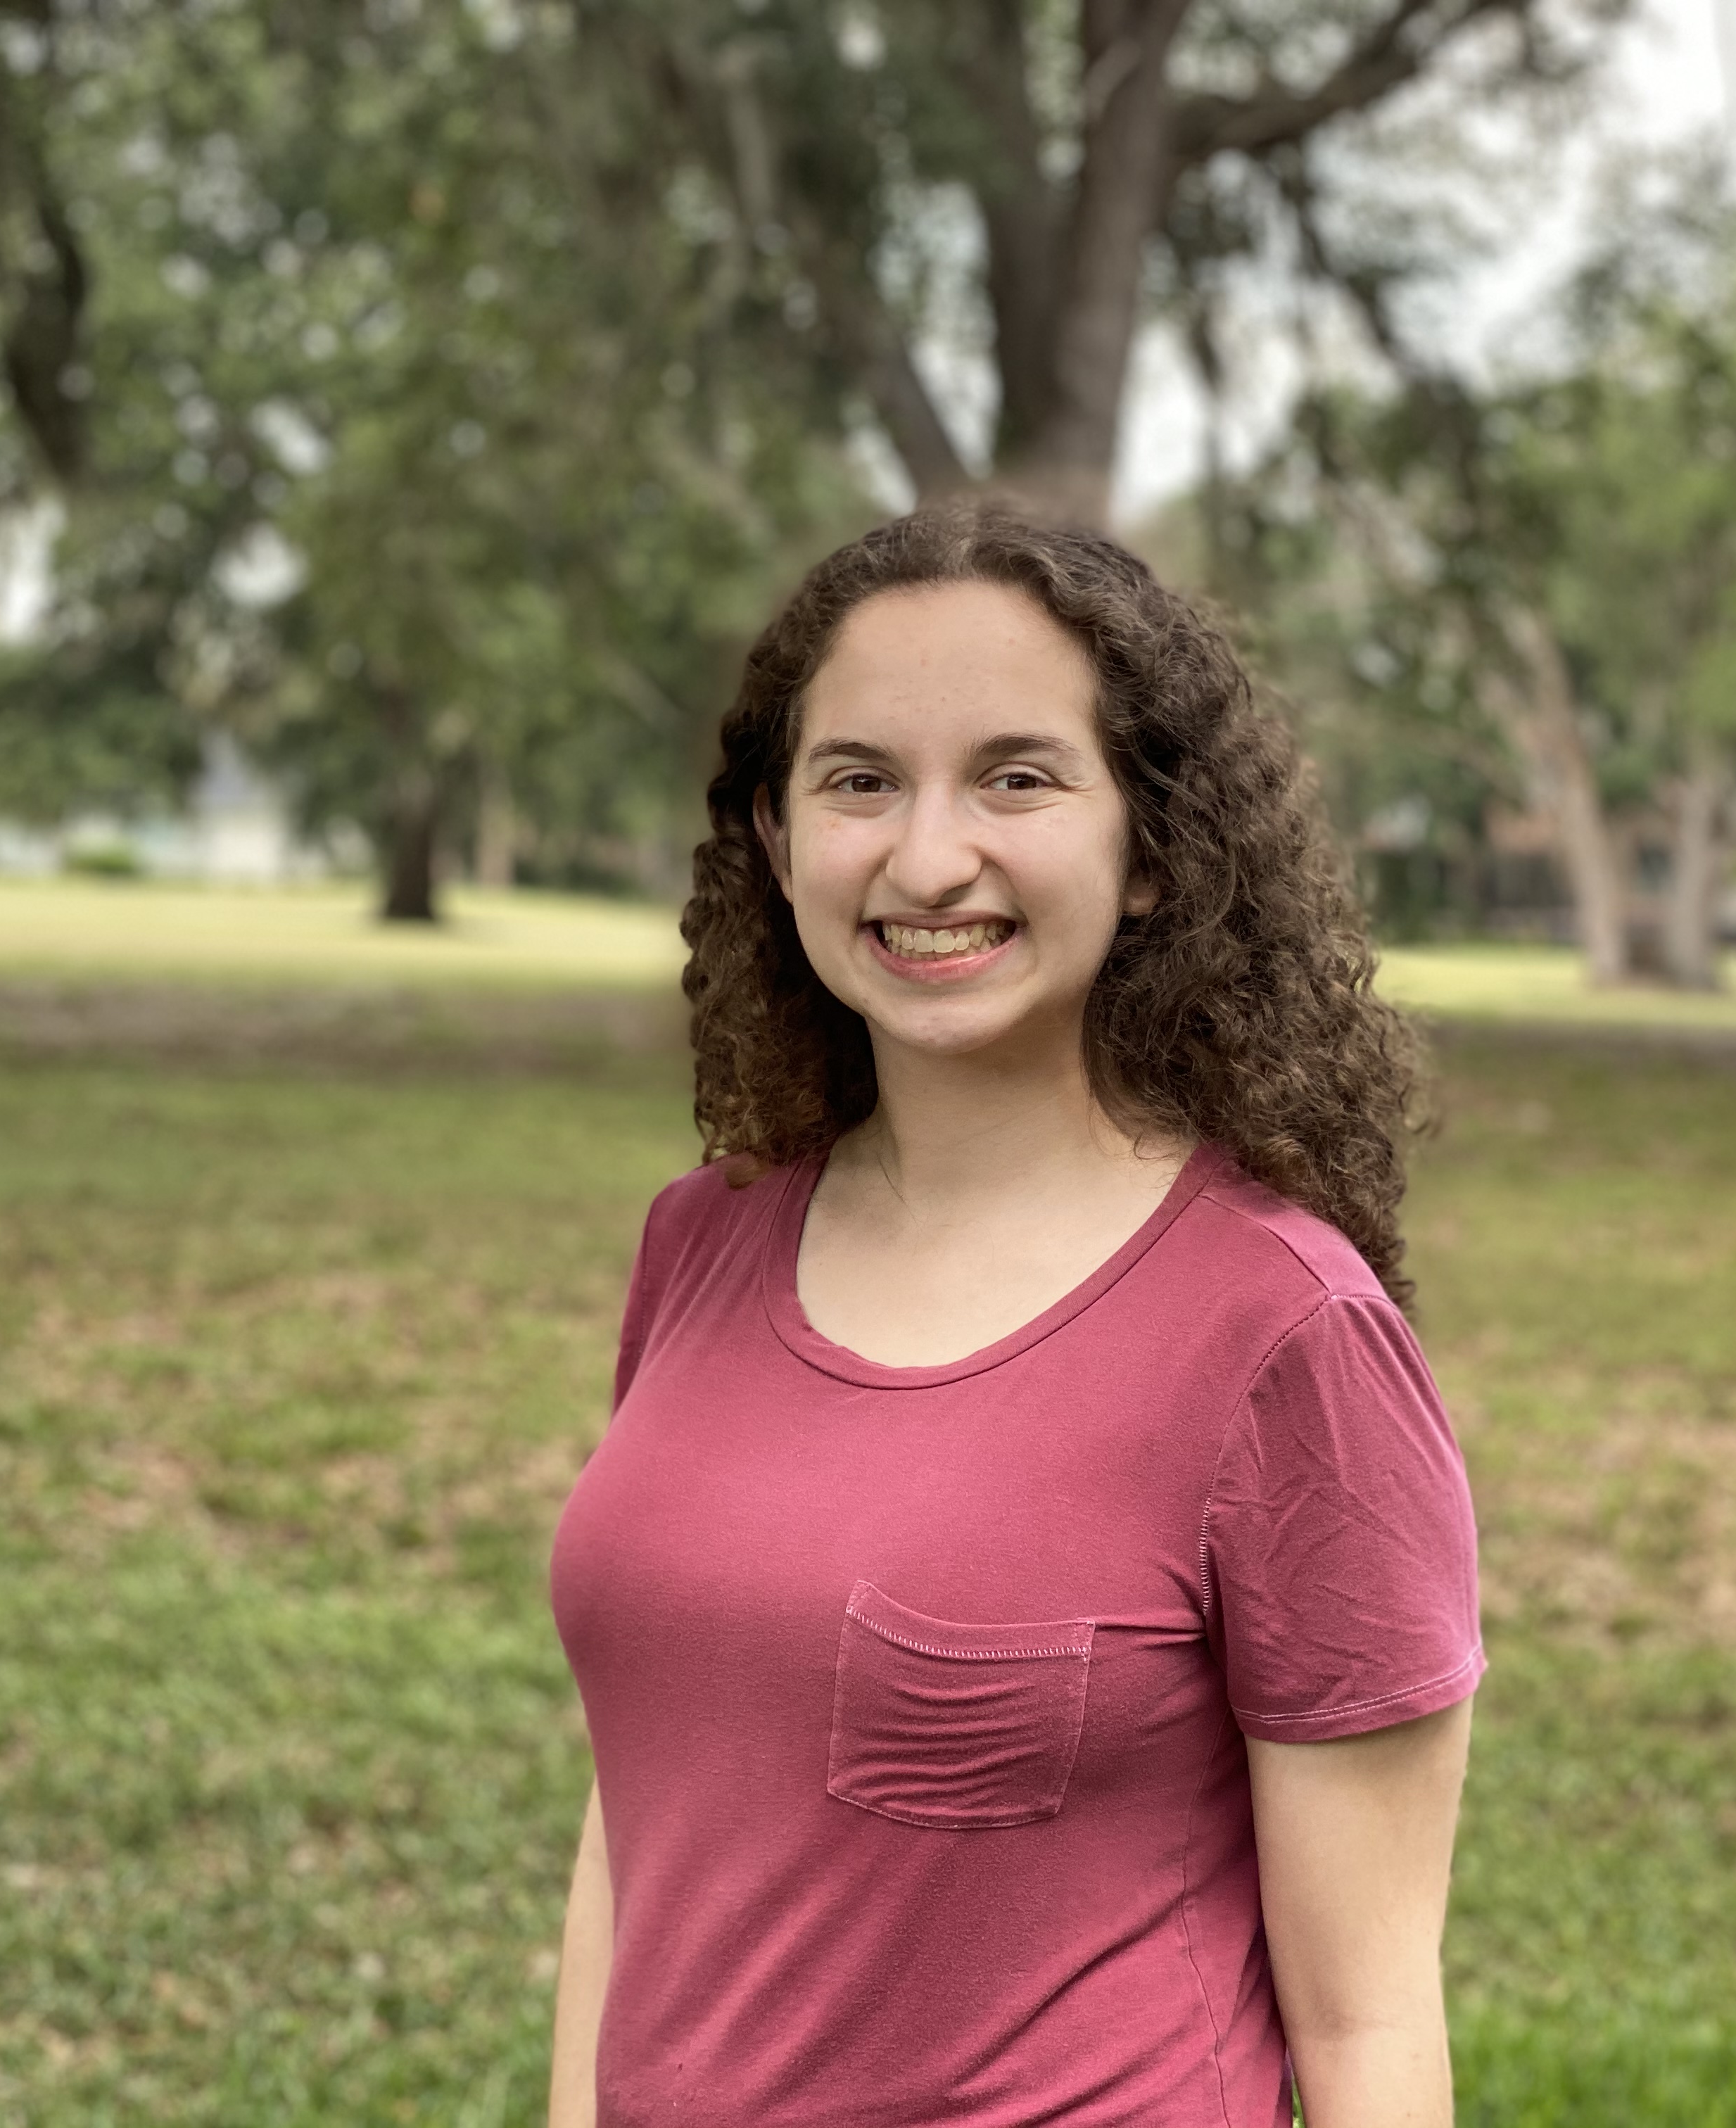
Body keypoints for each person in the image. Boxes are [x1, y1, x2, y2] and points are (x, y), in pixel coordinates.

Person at [546, 507, 1484, 2128]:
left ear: (1154, 851)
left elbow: (1372, 2025)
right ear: (777, 837)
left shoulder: (1284, 1336)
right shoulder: (701, 1240)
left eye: (1017, 779)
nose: (927, 860)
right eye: (860, 781)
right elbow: (638, 1829)